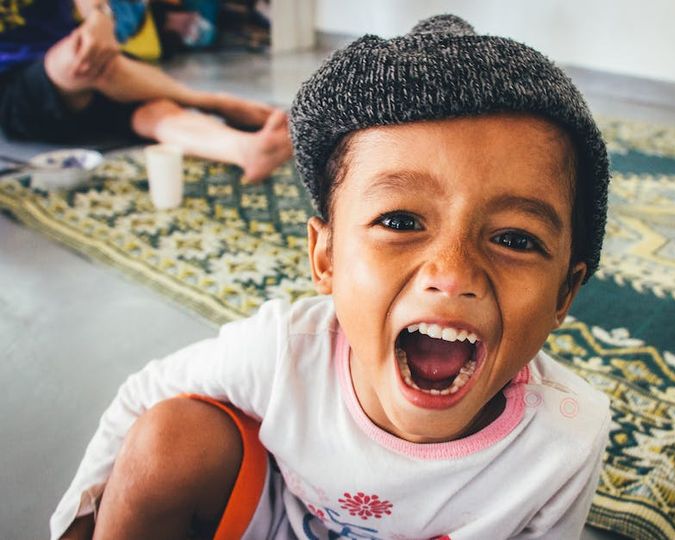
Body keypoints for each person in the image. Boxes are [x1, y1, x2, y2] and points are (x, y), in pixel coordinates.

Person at [51, 14, 612, 539]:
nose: (452, 273)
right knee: (166, 436)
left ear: (565, 293)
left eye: (515, 239)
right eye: (399, 220)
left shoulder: (565, 439)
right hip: (270, 521)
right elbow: (142, 396)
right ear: (326, 258)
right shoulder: (283, 352)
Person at [0, 0, 291, 183]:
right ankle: (213, 102)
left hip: (98, 66)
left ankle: (246, 150)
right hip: (15, 85)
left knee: (155, 113)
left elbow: (94, 11)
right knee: (80, 58)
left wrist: (99, 18)